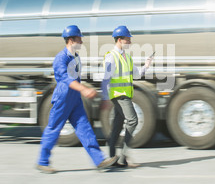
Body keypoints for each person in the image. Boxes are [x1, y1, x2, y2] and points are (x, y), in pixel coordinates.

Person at [37, 25, 118, 173]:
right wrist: (84, 89)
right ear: (71, 39)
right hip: (63, 98)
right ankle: (42, 162)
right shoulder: (60, 58)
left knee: (84, 128)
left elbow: (77, 78)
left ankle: (99, 160)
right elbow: (66, 79)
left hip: (75, 99)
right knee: (54, 129)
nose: (81, 41)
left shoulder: (76, 57)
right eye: (79, 38)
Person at [100, 25, 153, 168]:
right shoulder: (111, 56)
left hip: (125, 95)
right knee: (133, 120)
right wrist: (105, 97)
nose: (130, 41)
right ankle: (122, 158)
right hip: (119, 96)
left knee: (118, 125)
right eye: (127, 38)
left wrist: (146, 65)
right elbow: (106, 78)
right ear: (119, 39)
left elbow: (136, 75)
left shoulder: (127, 57)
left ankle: (112, 157)